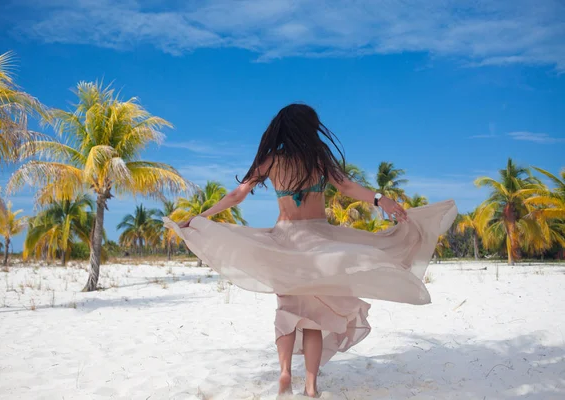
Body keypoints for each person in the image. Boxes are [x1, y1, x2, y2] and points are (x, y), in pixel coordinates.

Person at [166, 104, 457, 397]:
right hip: (319, 241)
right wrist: (382, 200)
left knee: (287, 309)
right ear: (309, 128)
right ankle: (311, 385)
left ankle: (283, 375)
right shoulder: (319, 161)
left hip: (284, 241)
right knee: (314, 317)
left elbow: (236, 194)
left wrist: (202, 216)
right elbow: (348, 188)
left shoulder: (271, 161)